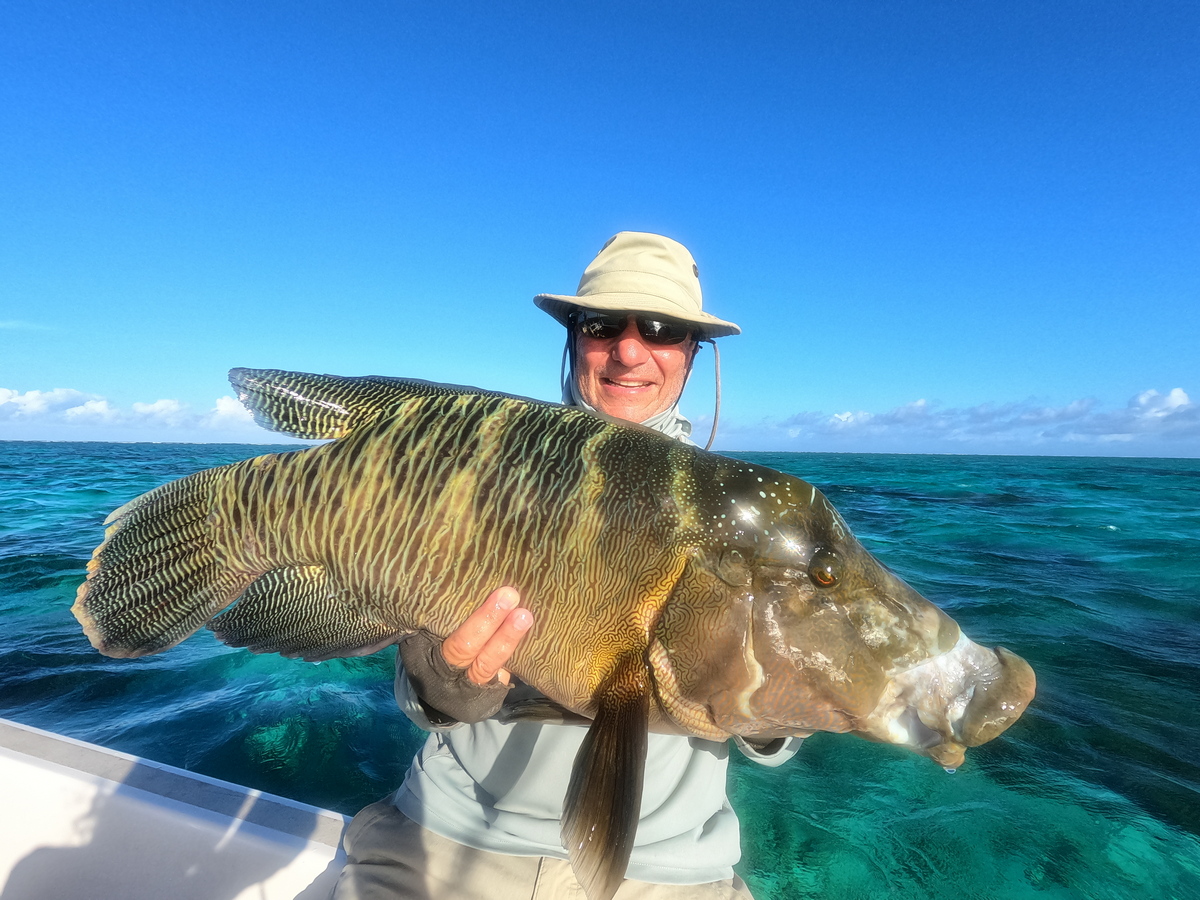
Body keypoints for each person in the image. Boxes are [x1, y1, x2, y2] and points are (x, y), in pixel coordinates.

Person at [332, 232, 802, 900]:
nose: (630, 350)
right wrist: (447, 681)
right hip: (443, 838)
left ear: (693, 354)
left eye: (663, 329)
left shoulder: (751, 519)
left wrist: (795, 677)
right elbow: (422, 699)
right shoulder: (481, 474)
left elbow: (772, 739)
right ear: (575, 339)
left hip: (667, 875)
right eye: (603, 324)